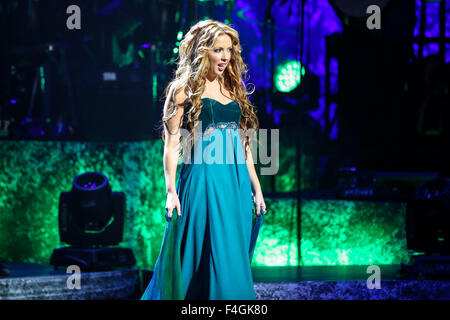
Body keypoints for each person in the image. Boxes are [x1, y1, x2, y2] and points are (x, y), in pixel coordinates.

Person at [141, 19, 267, 300]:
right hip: (203, 179)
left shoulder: (234, 88)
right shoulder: (183, 90)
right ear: (202, 51)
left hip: (234, 183)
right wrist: (171, 191)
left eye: (229, 50)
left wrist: (256, 188)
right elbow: (172, 143)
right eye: (218, 50)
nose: (225, 57)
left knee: (230, 250)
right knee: (200, 248)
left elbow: (243, 145)